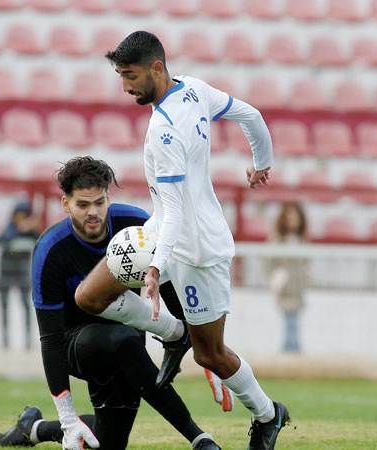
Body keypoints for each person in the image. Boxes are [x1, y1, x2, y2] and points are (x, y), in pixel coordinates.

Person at [73, 31, 289, 450]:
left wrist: (155, 268)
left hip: (197, 249)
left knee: (211, 355)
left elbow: (175, 211)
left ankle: (267, 414)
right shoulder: (195, 88)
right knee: (90, 296)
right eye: (120, 76)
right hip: (166, 230)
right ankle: (174, 334)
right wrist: (261, 163)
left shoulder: (164, 131)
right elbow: (252, 116)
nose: (125, 87)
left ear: (156, 67)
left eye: (130, 75)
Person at [0, 157, 220, 450]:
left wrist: (203, 348)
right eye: (83, 205)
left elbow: (170, 283)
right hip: (78, 345)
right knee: (123, 338)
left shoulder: (136, 226)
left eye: (99, 202)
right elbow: (50, 340)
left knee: (109, 443)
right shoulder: (50, 249)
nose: (93, 212)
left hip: (128, 340)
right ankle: (199, 438)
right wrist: (68, 417)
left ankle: (33, 428)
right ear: (65, 204)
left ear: (108, 197)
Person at [0, 201, 39, 350]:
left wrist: (31, 227)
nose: (21, 218)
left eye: (24, 215)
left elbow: (42, 241)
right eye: (18, 215)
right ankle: (5, 340)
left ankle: (27, 340)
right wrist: (20, 228)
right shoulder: (9, 228)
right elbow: (2, 239)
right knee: (4, 308)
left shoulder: (32, 231)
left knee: (26, 306)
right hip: (5, 274)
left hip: (22, 275)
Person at [267, 202, 309, 353]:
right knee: (289, 321)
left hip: (297, 289)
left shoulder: (302, 241)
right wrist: (278, 280)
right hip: (284, 289)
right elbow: (270, 264)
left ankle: (293, 349)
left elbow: (306, 264)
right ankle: (289, 349)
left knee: (294, 321)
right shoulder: (278, 240)